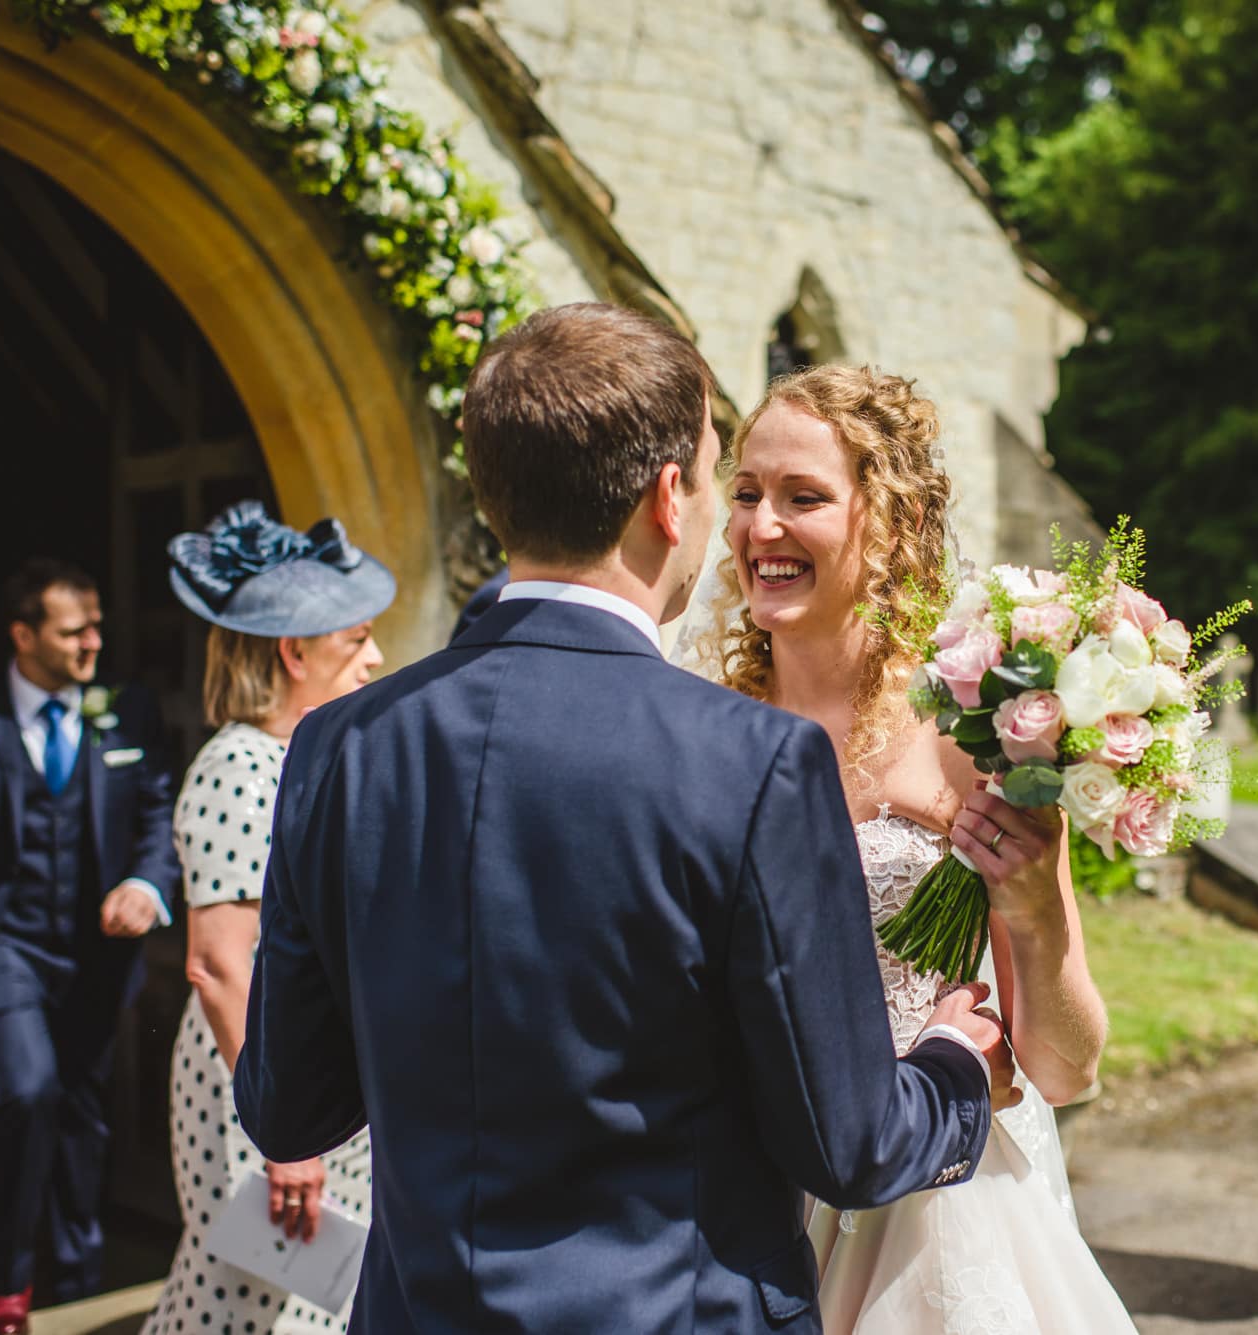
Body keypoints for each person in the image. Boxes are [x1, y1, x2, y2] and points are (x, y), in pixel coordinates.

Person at [234, 302, 1012, 1332]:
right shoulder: (749, 761)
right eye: (710, 474)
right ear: (664, 497)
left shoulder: (340, 747)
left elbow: (288, 1106)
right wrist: (953, 1066)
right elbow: (849, 1145)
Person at [681, 363, 1135, 1332]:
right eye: (748, 494)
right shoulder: (705, 729)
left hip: (933, 1196)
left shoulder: (968, 737)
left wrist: (1037, 912)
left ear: (887, 523)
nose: (761, 527)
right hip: (741, 1189)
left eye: (803, 498)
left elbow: (1062, 1071)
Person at [0, 560, 180, 1335]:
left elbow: (159, 815)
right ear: (24, 635)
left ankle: (80, 1278)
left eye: (97, 625)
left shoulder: (125, 709)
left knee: (85, 1114)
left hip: (94, 955)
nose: (95, 640)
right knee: (27, 1091)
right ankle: (7, 1282)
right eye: (73, 629)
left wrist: (147, 887)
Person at [139, 501, 394, 1334]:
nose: (376, 656)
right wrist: (284, 1135)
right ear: (295, 652)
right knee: (255, 1296)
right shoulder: (236, 768)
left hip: (298, 1070)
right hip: (251, 1082)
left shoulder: (294, 759)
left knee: (299, 1295)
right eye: (355, 639)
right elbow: (219, 965)